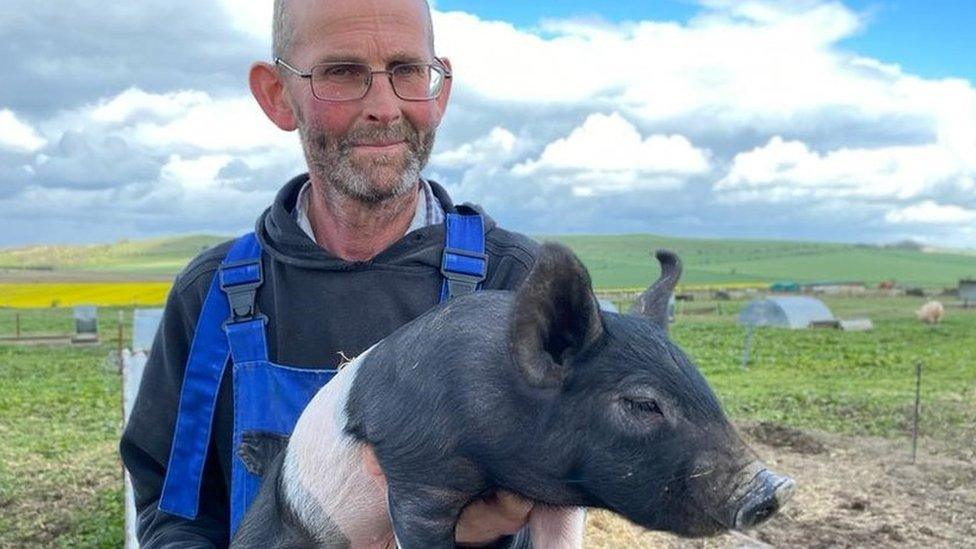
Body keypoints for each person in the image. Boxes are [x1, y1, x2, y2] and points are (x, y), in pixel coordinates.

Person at [119, 0, 540, 546]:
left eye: (408, 70)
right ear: (277, 96)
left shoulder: (515, 286)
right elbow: (176, 515)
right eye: (343, 73)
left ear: (440, 89)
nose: (385, 107)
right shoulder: (214, 298)